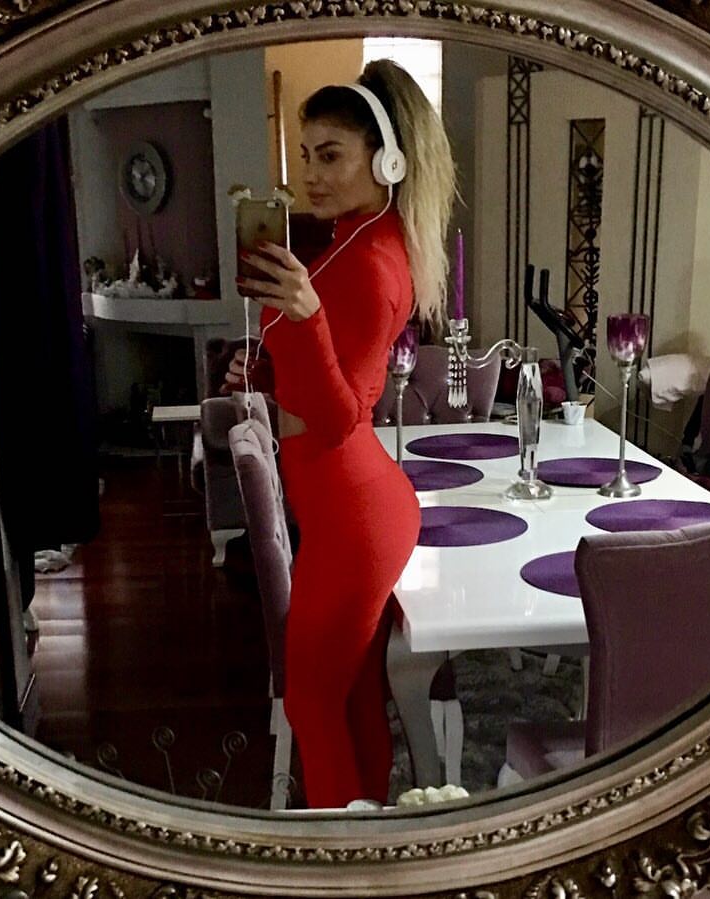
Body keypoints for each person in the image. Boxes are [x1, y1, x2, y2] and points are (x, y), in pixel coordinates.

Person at [235, 59, 456, 808]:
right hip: (346, 503)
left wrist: (303, 319)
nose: (311, 174)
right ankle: (373, 832)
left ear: (385, 162)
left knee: (310, 702)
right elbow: (321, 378)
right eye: (306, 155)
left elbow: (336, 419)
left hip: (352, 511)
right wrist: (264, 364)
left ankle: (344, 854)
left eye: (331, 155)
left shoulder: (368, 262)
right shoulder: (352, 239)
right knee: (352, 695)